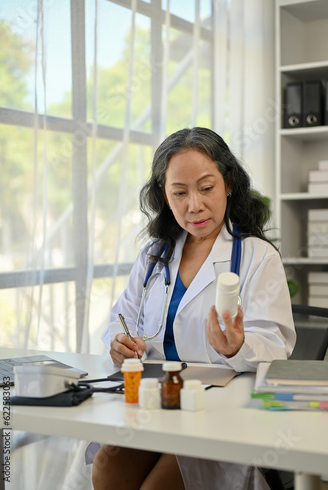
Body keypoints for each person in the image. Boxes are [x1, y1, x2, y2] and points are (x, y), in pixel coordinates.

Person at [91, 127, 296, 490]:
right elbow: (120, 319)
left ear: (228, 183)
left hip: (216, 410)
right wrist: (119, 342)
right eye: (179, 193)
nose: (194, 205)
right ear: (163, 195)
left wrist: (238, 345)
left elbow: (275, 344)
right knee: (107, 470)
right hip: (156, 401)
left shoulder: (256, 257)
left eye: (206, 187)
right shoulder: (155, 255)